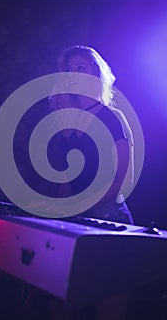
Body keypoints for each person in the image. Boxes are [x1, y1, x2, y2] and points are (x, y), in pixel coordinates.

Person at [48, 44, 134, 225]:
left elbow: (123, 179)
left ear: (95, 72)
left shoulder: (112, 117)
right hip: (76, 217)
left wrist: (80, 206)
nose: (74, 74)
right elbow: (67, 177)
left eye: (81, 68)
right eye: (69, 70)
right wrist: (58, 208)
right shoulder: (68, 118)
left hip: (109, 217)